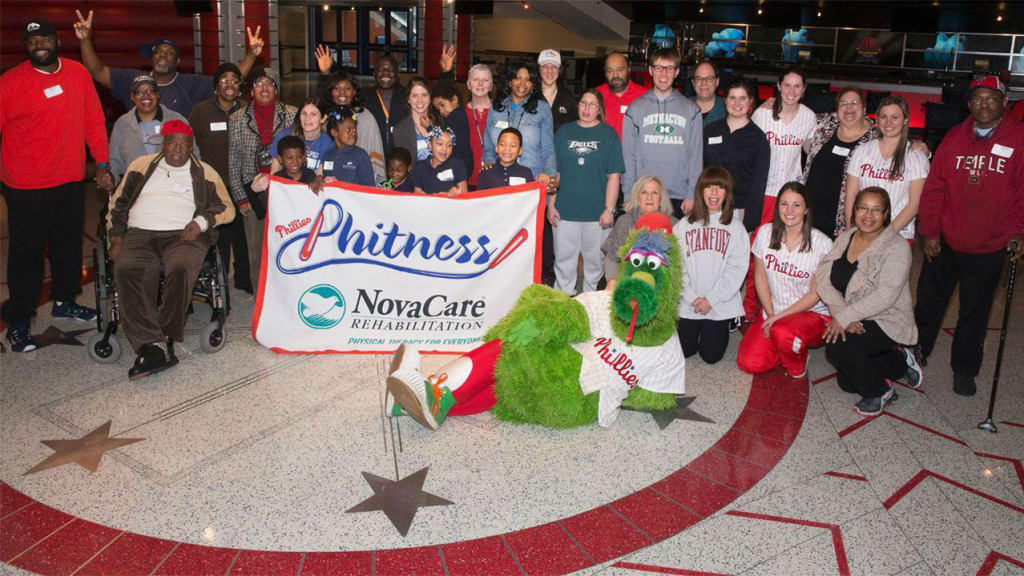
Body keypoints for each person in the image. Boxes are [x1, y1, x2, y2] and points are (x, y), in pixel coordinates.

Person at [2, 19, 112, 352]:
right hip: (25, 185)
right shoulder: (10, 82)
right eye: (32, 40)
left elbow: (94, 120)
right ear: (26, 44)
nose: (39, 45)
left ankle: (65, 300)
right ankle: (18, 321)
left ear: (57, 42)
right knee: (26, 255)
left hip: (68, 180)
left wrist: (103, 164)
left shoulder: (78, 74)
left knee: (67, 247)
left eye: (45, 38)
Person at [914, 75, 1024, 396]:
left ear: (1005, 103)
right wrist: (930, 232)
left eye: (992, 98)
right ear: (969, 104)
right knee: (929, 305)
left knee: (974, 313)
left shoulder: (1019, 138)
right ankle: (915, 355)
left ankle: (964, 369)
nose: (984, 104)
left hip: (989, 247)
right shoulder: (954, 137)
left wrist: (1019, 231)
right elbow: (935, 188)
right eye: (977, 99)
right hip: (946, 242)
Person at [106, 121, 234, 379]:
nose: (178, 149)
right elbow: (118, 206)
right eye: (173, 143)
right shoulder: (141, 166)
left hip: (183, 234)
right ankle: (152, 344)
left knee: (181, 266)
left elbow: (226, 208)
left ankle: (162, 336)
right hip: (140, 233)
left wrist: (200, 222)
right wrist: (116, 236)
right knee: (127, 267)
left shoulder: (204, 172)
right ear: (163, 144)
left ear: (192, 148)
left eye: (184, 145)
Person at [816, 187, 921, 416]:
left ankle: (881, 391)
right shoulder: (846, 237)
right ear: (854, 210)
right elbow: (824, 279)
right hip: (855, 313)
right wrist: (844, 314)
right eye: (863, 208)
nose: (868, 215)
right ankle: (901, 360)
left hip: (886, 318)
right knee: (847, 383)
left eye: (876, 210)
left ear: (886, 215)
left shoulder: (897, 247)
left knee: (837, 345)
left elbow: (886, 295)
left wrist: (844, 318)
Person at [73, 10, 262, 117]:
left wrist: (252, 55)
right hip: (140, 162)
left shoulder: (191, 84)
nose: (162, 55)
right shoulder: (133, 80)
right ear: (152, 58)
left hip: (179, 160)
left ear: (178, 61)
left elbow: (230, 81)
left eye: (169, 53)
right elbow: (96, 70)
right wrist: (85, 40)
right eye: (158, 52)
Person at [736, 182, 833, 379]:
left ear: (806, 209)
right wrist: (770, 313)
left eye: (796, 205)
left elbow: (815, 294)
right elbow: (760, 277)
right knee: (748, 362)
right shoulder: (764, 233)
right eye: (784, 204)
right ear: (777, 206)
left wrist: (779, 318)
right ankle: (786, 344)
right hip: (774, 311)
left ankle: (797, 363)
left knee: (782, 332)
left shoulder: (823, 243)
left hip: (812, 314)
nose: (789, 211)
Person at [484, 60, 557, 285]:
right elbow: (489, 145)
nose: (522, 83)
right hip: (501, 184)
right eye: (518, 77)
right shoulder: (497, 107)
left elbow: (548, 147)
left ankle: (534, 284)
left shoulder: (542, 109)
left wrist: (551, 177)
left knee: (531, 240)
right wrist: (488, 162)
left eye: (528, 79)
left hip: (532, 184)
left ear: (534, 84)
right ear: (509, 80)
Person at [227, 67, 297, 291]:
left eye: (269, 84)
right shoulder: (237, 119)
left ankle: (287, 294)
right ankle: (260, 296)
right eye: (259, 84)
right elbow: (234, 161)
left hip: (285, 189)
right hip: (252, 189)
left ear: (276, 89)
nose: (264, 88)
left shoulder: (292, 114)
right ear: (251, 90)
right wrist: (240, 198)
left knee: (287, 245)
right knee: (256, 248)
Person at [549, 89, 624, 294]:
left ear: (599, 109)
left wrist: (609, 209)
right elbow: (556, 172)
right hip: (565, 212)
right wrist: (551, 204)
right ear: (577, 105)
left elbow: (614, 176)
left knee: (594, 268)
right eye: (583, 103)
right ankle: (562, 310)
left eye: (592, 104)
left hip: (596, 215)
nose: (587, 108)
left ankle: (591, 312)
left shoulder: (608, 135)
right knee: (564, 266)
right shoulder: (564, 132)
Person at [674, 167, 750, 364]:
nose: (714, 193)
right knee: (685, 350)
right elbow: (676, 266)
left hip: (719, 302)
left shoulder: (736, 228)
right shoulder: (683, 226)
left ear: (727, 193)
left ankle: (724, 323)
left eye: (719, 188)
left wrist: (711, 299)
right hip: (690, 300)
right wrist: (691, 297)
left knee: (711, 356)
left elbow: (737, 270)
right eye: (709, 187)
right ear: (700, 191)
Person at [189, 62, 250, 294]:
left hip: (242, 183)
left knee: (243, 235)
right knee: (219, 234)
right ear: (216, 86)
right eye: (224, 80)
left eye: (234, 80)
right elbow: (191, 146)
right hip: (214, 185)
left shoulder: (246, 110)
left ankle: (244, 279)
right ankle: (220, 280)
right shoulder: (200, 111)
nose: (229, 84)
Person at [622, 48, 703, 217]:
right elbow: (628, 156)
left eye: (669, 68)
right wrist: (628, 194)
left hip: (678, 197)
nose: (663, 74)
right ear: (651, 70)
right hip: (644, 195)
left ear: (677, 72)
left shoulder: (691, 110)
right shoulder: (635, 109)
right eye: (659, 67)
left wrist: (692, 194)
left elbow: (696, 156)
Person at [844, 96, 929, 243]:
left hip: (898, 236)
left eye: (895, 117)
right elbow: (851, 194)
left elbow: (915, 204)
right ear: (877, 120)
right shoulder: (862, 151)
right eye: (883, 116)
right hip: (862, 233)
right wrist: (850, 230)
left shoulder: (915, 157)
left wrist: (884, 237)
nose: (888, 122)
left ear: (905, 120)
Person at [800, 86, 876, 239]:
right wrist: (773, 103)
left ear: (864, 108)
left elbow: (898, 141)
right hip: (809, 214)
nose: (849, 107)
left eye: (854, 102)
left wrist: (921, 148)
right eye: (843, 103)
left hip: (843, 219)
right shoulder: (825, 124)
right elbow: (795, 113)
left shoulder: (875, 138)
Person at [703, 77, 770, 232]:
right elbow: (701, 169)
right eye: (732, 98)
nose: (737, 103)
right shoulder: (710, 130)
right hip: (710, 206)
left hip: (740, 211)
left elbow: (759, 184)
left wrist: (749, 223)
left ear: (750, 101)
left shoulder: (758, 138)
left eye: (742, 98)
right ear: (725, 100)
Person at [752, 67, 817, 224]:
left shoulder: (809, 116)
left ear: (803, 89)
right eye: (787, 85)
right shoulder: (762, 115)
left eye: (797, 86)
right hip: (764, 189)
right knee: (760, 238)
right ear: (779, 86)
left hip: (792, 192)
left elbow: (810, 149)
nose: (791, 91)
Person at [109, 74, 192, 183]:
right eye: (139, 92)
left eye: (150, 91)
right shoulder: (122, 124)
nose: (145, 96)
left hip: (171, 189)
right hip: (134, 193)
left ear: (157, 95)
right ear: (132, 97)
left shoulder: (178, 121)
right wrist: (110, 178)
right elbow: (114, 162)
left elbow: (194, 156)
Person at [602, 176, 676, 289]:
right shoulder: (625, 222)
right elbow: (612, 258)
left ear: (661, 198)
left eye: (654, 193)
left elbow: (678, 264)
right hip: (627, 279)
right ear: (637, 197)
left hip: (662, 283)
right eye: (644, 192)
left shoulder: (674, 225)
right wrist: (612, 280)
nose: (649, 198)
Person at [314, 67, 386, 183]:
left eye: (347, 88)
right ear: (330, 92)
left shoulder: (366, 118)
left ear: (354, 92)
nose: (342, 93)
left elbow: (375, 157)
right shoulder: (325, 118)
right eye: (337, 88)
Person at [269, 98, 333, 174]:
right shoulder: (284, 136)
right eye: (304, 113)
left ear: (323, 118)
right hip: (286, 184)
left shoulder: (329, 143)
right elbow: (274, 173)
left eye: (313, 114)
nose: (307, 118)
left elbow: (320, 177)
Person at [361, 55, 408, 153]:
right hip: (372, 154)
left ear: (397, 73)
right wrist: (325, 73)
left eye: (390, 69)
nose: (385, 73)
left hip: (401, 157)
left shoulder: (407, 96)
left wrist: (445, 74)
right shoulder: (364, 97)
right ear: (374, 73)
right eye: (381, 69)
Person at [596, 52, 646, 141]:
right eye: (610, 71)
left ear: (629, 70)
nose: (615, 75)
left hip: (634, 153)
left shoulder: (645, 96)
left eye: (620, 70)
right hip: (604, 152)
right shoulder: (596, 95)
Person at [321, 109, 376, 188]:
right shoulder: (327, 155)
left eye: (354, 129)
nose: (353, 133)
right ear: (334, 132)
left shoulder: (361, 156)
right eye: (348, 129)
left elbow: (370, 187)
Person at [430, 81, 474, 177]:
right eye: (438, 109)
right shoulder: (462, 113)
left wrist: (429, 128)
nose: (441, 111)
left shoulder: (454, 117)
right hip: (466, 163)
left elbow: (445, 138)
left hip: (458, 164)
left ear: (454, 99)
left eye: (442, 105)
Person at [394, 77, 440, 165]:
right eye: (415, 96)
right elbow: (404, 166)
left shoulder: (440, 122)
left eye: (424, 95)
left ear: (430, 98)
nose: (420, 100)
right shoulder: (400, 129)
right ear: (408, 99)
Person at [410, 127, 468, 196]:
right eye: (440, 144)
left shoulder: (457, 165)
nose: (444, 149)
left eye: (449, 145)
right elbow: (417, 194)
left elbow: (464, 194)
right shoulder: (420, 167)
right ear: (430, 145)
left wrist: (450, 195)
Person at [251, 136, 318, 191]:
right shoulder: (277, 179)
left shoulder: (310, 176)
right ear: (280, 159)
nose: (295, 161)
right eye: (289, 158)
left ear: (304, 158)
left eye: (299, 157)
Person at [538, 48, 577, 131]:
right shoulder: (531, 95)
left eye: (554, 66)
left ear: (560, 70)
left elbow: (575, 126)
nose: (550, 71)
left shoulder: (567, 96)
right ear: (539, 69)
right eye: (545, 66)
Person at [692, 60, 726, 126]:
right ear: (693, 83)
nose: (704, 83)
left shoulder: (728, 109)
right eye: (699, 78)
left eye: (709, 78)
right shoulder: (683, 108)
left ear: (717, 82)